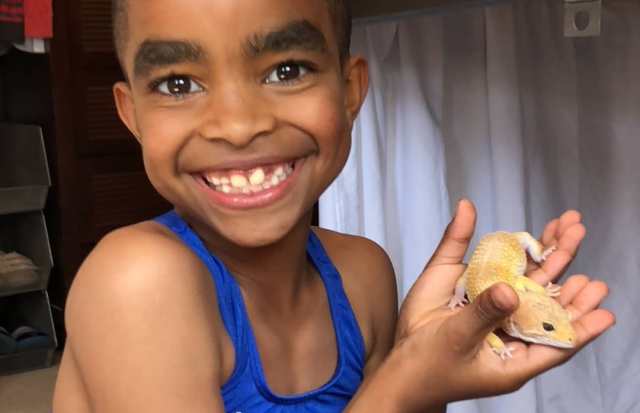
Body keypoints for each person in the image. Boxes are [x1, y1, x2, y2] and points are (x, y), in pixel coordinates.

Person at [52, 0, 615, 412]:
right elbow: (392, 398)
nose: (238, 125)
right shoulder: (135, 281)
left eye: (286, 71)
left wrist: (429, 361)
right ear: (131, 115)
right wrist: (403, 382)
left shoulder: (363, 273)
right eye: (178, 84)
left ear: (350, 91)